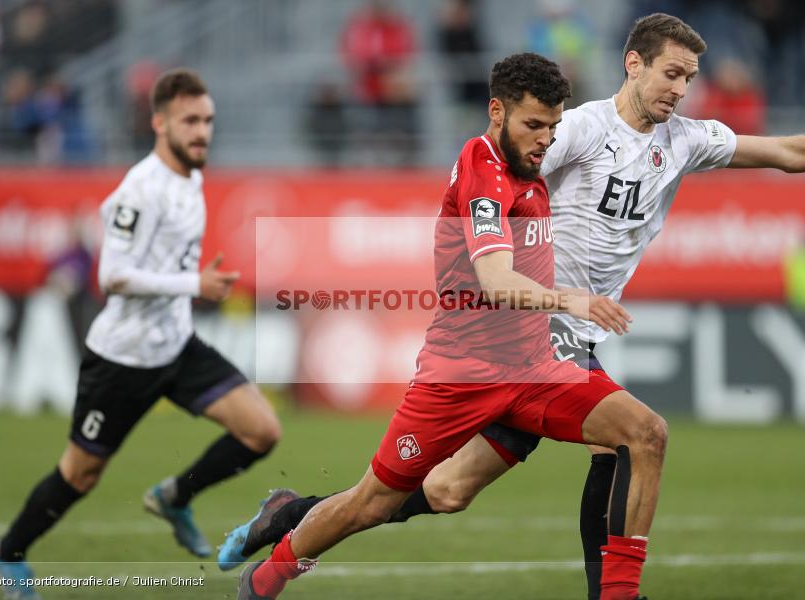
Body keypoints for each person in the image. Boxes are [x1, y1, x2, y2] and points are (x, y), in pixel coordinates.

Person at [225, 12, 805, 600]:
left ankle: (290, 512)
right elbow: (504, 167)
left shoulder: (687, 139)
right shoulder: (576, 130)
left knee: (460, 489)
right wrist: (490, 242)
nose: (680, 88)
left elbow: (788, 151)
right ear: (633, 64)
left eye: (689, 77)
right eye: (671, 73)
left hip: (561, 343)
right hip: (517, 332)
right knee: (625, 439)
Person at [237, 52, 664, 600]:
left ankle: (619, 596)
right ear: (496, 112)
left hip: (536, 368)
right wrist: (572, 301)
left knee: (644, 433)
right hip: (460, 376)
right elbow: (494, 278)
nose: (545, 139)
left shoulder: (533, 173)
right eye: (533, 125)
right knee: (376, 502)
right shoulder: (482, 167)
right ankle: (269, 574)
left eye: (553, 127)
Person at [0, 68, 282, 600]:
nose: (202, 132)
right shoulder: (138, 191)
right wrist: (195, 282)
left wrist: (189, 286)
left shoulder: (191, 177)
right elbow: (110, 277)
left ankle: (173, 496)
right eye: (190, 121)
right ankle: (6, 555)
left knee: (260, 430)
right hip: (122, 359)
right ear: (158, 122)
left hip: (176, 345)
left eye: (208, 120)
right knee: (80, 475)